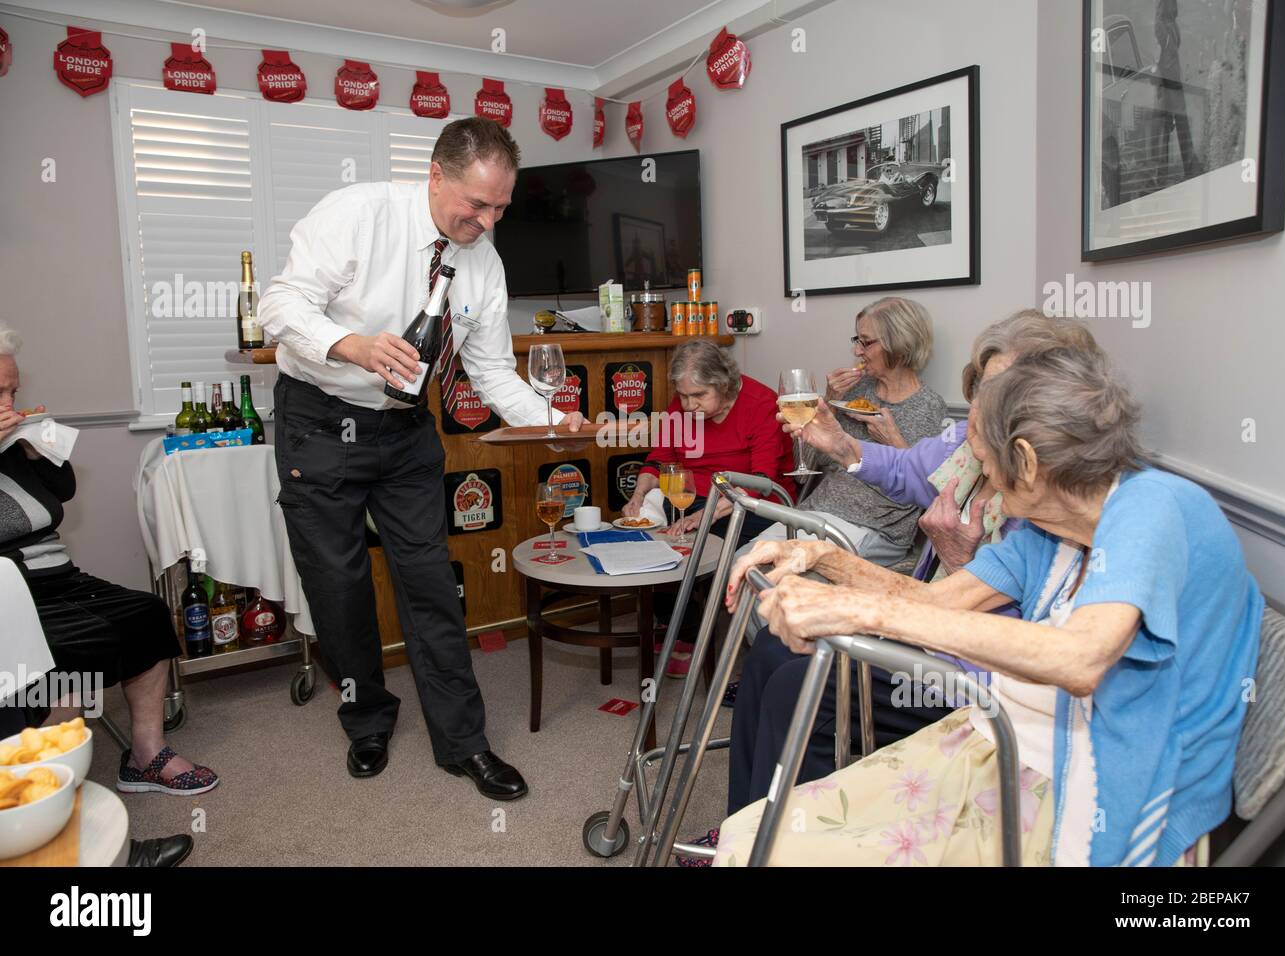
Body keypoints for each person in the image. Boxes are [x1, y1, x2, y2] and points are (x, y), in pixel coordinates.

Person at [718, 348, 1260, 866]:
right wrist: (820, 556)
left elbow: (1080, 658)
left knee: (772, 850)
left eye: (981, 453)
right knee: (753, 835)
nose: (977, 473)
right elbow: (933, 599)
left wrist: (858, 613)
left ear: (1024, 459)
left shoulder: (1153, 508)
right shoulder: (1055, 532)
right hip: (1011, 743)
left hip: (1103, 787)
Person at [677, 311, 1096, 864]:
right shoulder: (977, 457)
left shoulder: (1064, 516)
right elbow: (911, 480)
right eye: (981, 396)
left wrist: (867, 589)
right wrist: (838, 468)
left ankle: (783, 839)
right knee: (773, 653)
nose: (975, 423)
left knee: (800, 685)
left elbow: (1062, 659)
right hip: (940, 641)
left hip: (968, 679)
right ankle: (748, 831)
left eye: (998, 402)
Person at [258, 118, 584, 798]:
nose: (488, 221)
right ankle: (366, 718)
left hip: (406, 429)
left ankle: (463, 743)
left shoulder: (483, 263)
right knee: (340, 585)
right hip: (318, 419)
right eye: (477, 204)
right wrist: (354, 345)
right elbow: (279, 305)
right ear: (436, 175)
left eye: (501, 207)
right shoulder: (358, 214)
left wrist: (555, 422)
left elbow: (492, 374)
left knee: (430, 582)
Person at [0, 326, 218, 796]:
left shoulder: (12, 437)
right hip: (9, 596)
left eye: (13, 390)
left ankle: (145, 754)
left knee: (146, 613)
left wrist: (40, 450)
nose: (10, 401)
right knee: (57, 670)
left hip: (58, 578)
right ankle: (47, 792)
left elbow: (62, 493)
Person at [620, 340, 795, 675]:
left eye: (698, 396)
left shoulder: (761, 403)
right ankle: (673, 624)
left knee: (697, 541)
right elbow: (660, 459)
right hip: (690, 494)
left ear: (724, 384)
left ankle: (686, 636)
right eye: (683, 396)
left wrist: (705, 515)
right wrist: (638, 496)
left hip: (751, 502)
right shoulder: (682, 405)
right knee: (649, 535)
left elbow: (761, 479)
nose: (688, 405)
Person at [748, 296, 946, 564]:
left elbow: (931, 488)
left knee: (774, 577)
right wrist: (827, 400)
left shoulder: (928, 406)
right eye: (857, 340)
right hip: (817, 514)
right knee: (742, 561)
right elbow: (804, 470)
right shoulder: (853, 393)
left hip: (875, 528)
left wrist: (893, 440)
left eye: (866, 342)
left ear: (899, 345)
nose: (857, 351)